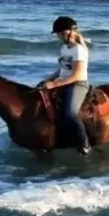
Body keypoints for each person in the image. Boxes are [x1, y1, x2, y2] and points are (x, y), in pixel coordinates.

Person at [38, 15, 92, 155]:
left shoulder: (78, 50)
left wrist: (54, 84)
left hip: (78, 84)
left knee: (70, 114)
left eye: (58, 33)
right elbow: (62, 69)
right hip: (62, 82)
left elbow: (77, 75)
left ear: (66, 33)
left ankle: (84, 144)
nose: (57, 36)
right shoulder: (64, 48)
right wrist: (48, 79)